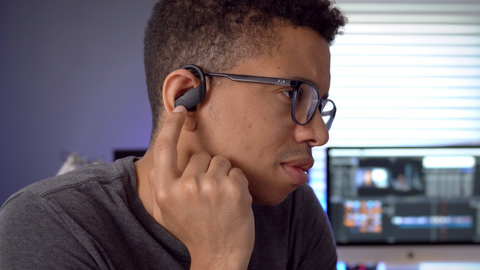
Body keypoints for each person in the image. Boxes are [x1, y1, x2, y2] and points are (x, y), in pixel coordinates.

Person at [0, 0, 347, 269]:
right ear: (187, 96)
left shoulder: (294, 214)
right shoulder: (47, 226)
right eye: (293, 93)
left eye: (320, 105)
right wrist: (218, 259)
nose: (318, 133)